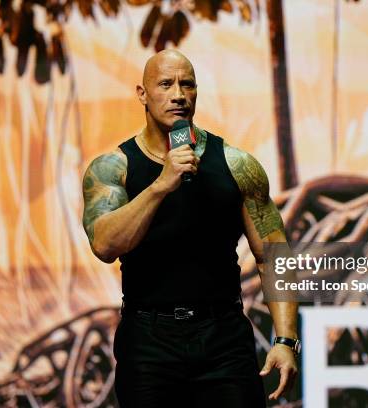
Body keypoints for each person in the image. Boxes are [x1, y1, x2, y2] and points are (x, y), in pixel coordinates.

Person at [82, 49, 298, 408]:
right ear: (142, 94)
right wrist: (160, 186)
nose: (179, 94)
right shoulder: (113, 168)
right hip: (149, 341)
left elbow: (274, 255)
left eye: (188, 85)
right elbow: (105, 246)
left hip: (223, 337)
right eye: (166, 84)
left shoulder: (236, 163)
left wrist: (286, 340)